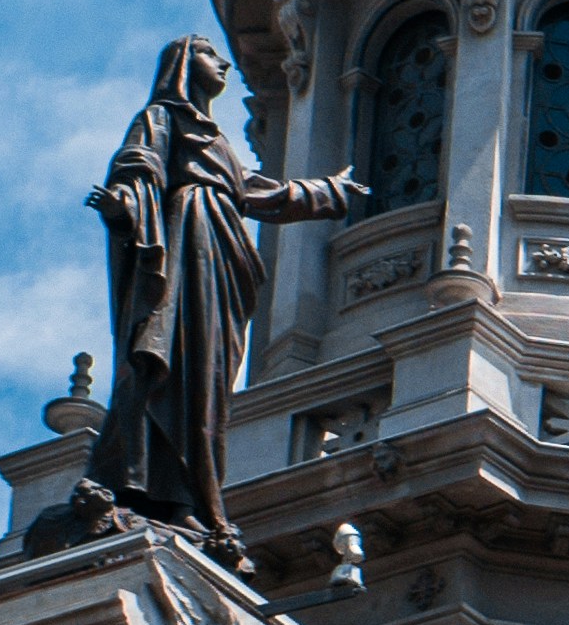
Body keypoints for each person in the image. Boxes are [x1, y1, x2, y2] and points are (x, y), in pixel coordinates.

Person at [58, 37, 364, 566]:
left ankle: (187, 497)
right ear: (182, 65)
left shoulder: (218, 142)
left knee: (208, 384)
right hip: (181, 244)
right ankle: (134, 487)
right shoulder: (161, 118)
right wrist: (123, 206)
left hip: (223, 257)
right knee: (168, 366)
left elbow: (261, 194)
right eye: (208, 54)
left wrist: (327, 192)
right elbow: (137, 170)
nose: (222, 62)